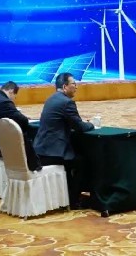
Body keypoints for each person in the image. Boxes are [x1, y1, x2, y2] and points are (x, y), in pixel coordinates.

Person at [34, 73, 94, 208]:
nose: (76, 87)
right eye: (74, 84)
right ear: (65, 86)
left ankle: (66, 195)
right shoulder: (67, 102)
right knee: (82, 162)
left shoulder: (51, 99)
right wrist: (92, 124)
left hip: (41, 149)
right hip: (53, 153)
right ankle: (73, 200)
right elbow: (80, 126)